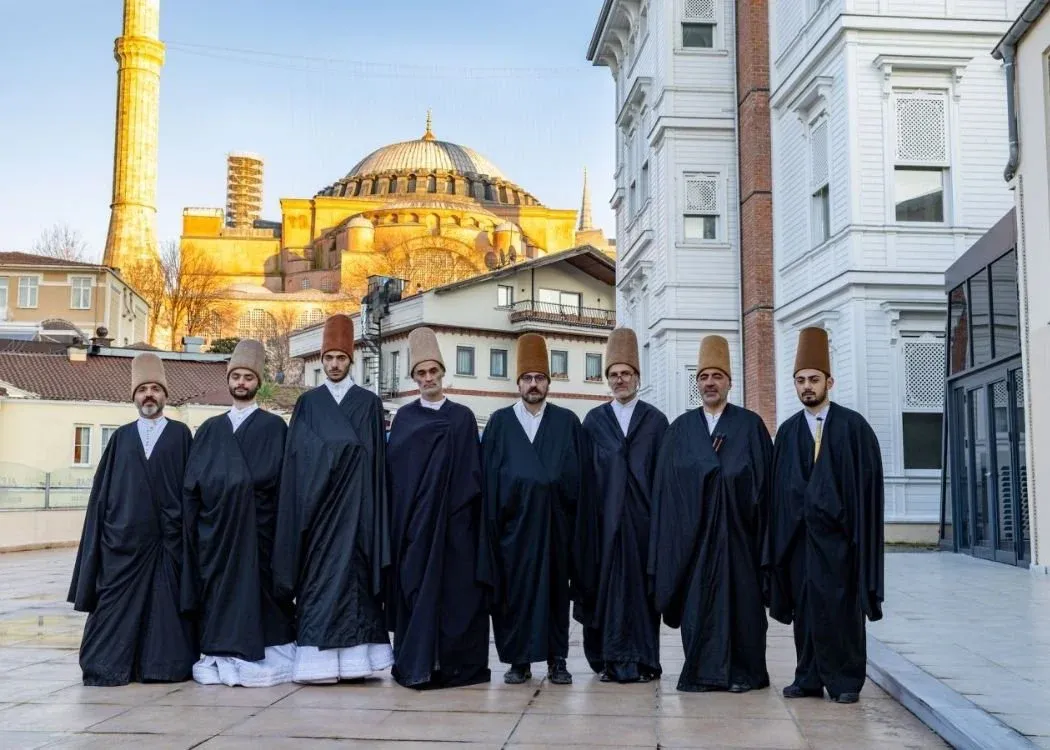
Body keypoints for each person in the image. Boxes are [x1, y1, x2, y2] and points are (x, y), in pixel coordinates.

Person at [766, 327, 884, 704]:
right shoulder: (786, 432)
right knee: (806, 612)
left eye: (813, 380)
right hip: (801, 544)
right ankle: (808, 677)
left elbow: (866, 491)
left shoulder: (854, 429)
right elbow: (778, 492)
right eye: (800, 381)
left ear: (829, 381)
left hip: (840, 545)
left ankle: (846, 680)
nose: (807, 387)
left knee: (841, 612)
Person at [274, 313, 392, 684]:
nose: (335, 364)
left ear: (351, 359)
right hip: (318, 513)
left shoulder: (368, 404)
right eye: (329, 358)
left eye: (341, 358)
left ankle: (359, 662)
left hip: (357, 513)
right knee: (317, 584)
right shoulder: (308, 403)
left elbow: (374, 463)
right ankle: (317, 665)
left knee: (356, 585)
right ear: (321, 361)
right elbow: (297, 458)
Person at [650, 336, 772, 693]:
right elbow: (667, 492)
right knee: (698, 608)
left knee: (744, 611)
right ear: (697, 383)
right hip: (695, 544)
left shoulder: (750, 427)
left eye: (717, 376)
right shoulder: (680, 431)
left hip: (740, 542)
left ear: (729, 382)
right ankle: (703, 673)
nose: (710, 383)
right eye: (704, 376)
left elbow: (764, 489)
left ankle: (744, 675)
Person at [68, 352, 197, 686]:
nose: (149, 395)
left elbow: (192, 488)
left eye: (155, 388)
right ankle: (107, 667)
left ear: (165, 395)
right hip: (123, 544)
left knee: (166, 612)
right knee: (113, 610)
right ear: (134, 396)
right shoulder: (120, 438)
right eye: (143, 390)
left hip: (168, 546)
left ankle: (161, 668)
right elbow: (103, 496)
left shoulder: (181, 434)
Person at [478, 333, 588, 685]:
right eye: (527, 379)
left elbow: (578, 478)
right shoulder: (499, 423)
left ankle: (558, 660)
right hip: (513, 530)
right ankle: (518, 661)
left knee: (556, 597)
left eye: (540, 378)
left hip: (556, 529)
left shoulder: (567, 422)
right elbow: (489, 480)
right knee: (514, 597)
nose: (533, 385)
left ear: (549, 382)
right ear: (518, 383)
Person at [184, 339, 295, 687]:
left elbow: (280, 482)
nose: (242, 383)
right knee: (218, 593)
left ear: (258, 383)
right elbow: (193, 483)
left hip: (258, 534)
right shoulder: (210, 429)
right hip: (215, 535)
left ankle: (261, 653)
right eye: (237, 377)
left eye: (248, 377)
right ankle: (220, 651)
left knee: (260, 594)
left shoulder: (274, 427)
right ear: (228, 381)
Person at [385, 327, 490, 689]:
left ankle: (454, 667)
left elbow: (473, 474)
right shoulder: (405, 419)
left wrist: (462, 520)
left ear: (443, 373)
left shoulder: (462, 417)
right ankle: (416, 664)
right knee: (414, 591)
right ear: (413, 378)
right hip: (415, 529)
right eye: (421, 373)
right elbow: (397, 477)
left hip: (455, 527)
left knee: (456, 597)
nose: (428, 378)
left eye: (433, 371)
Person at [578, 327, 667, 683]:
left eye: (626, 374)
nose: (620, 380)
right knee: (605, 594)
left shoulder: (656, 422)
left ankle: (645, 662)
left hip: (643, 527)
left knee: (642, 598)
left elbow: (664, 479)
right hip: (603, 527)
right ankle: (607, 661)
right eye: (614, 375)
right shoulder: (594, 423)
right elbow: (585, 478)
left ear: (637, 378)